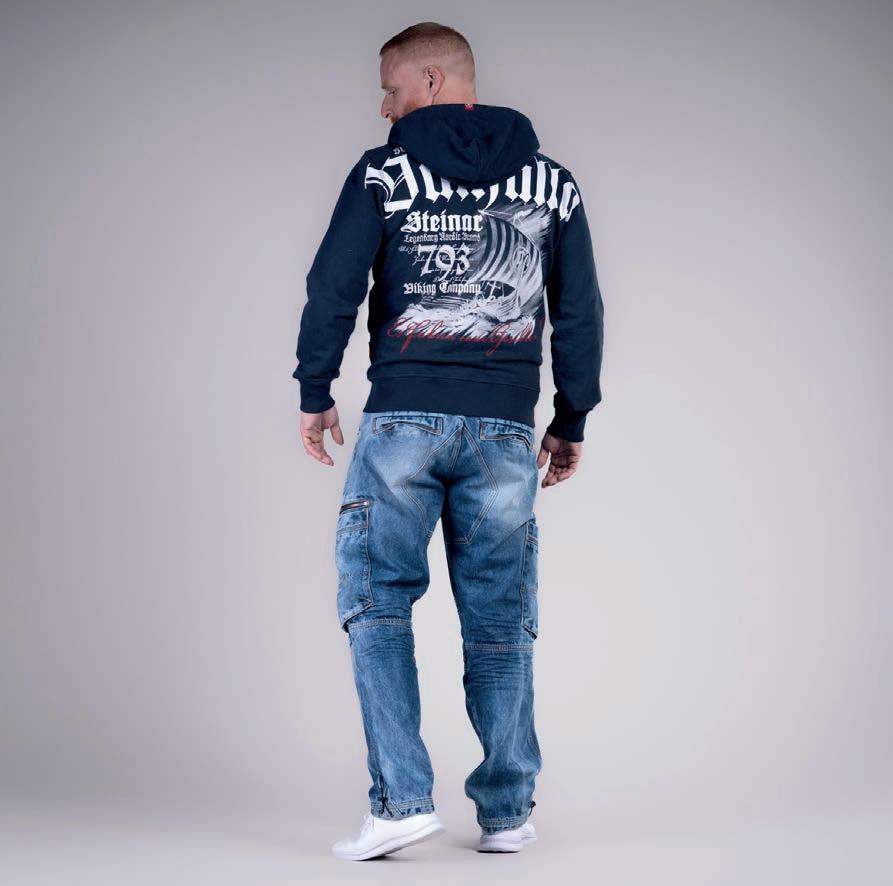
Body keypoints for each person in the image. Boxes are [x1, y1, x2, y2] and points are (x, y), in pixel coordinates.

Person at [292, 22, 604, 860]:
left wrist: (315, 391)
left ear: (430, 81)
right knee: (499, 618)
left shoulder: (384, 173)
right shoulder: (552, 183)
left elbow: (331, 284)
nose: (382, 108)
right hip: (504, 429)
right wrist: (569, 416)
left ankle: (400, 802)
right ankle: (506, 813)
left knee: (377, 602)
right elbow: (579, 311)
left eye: (389, 89)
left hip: (403, 420)